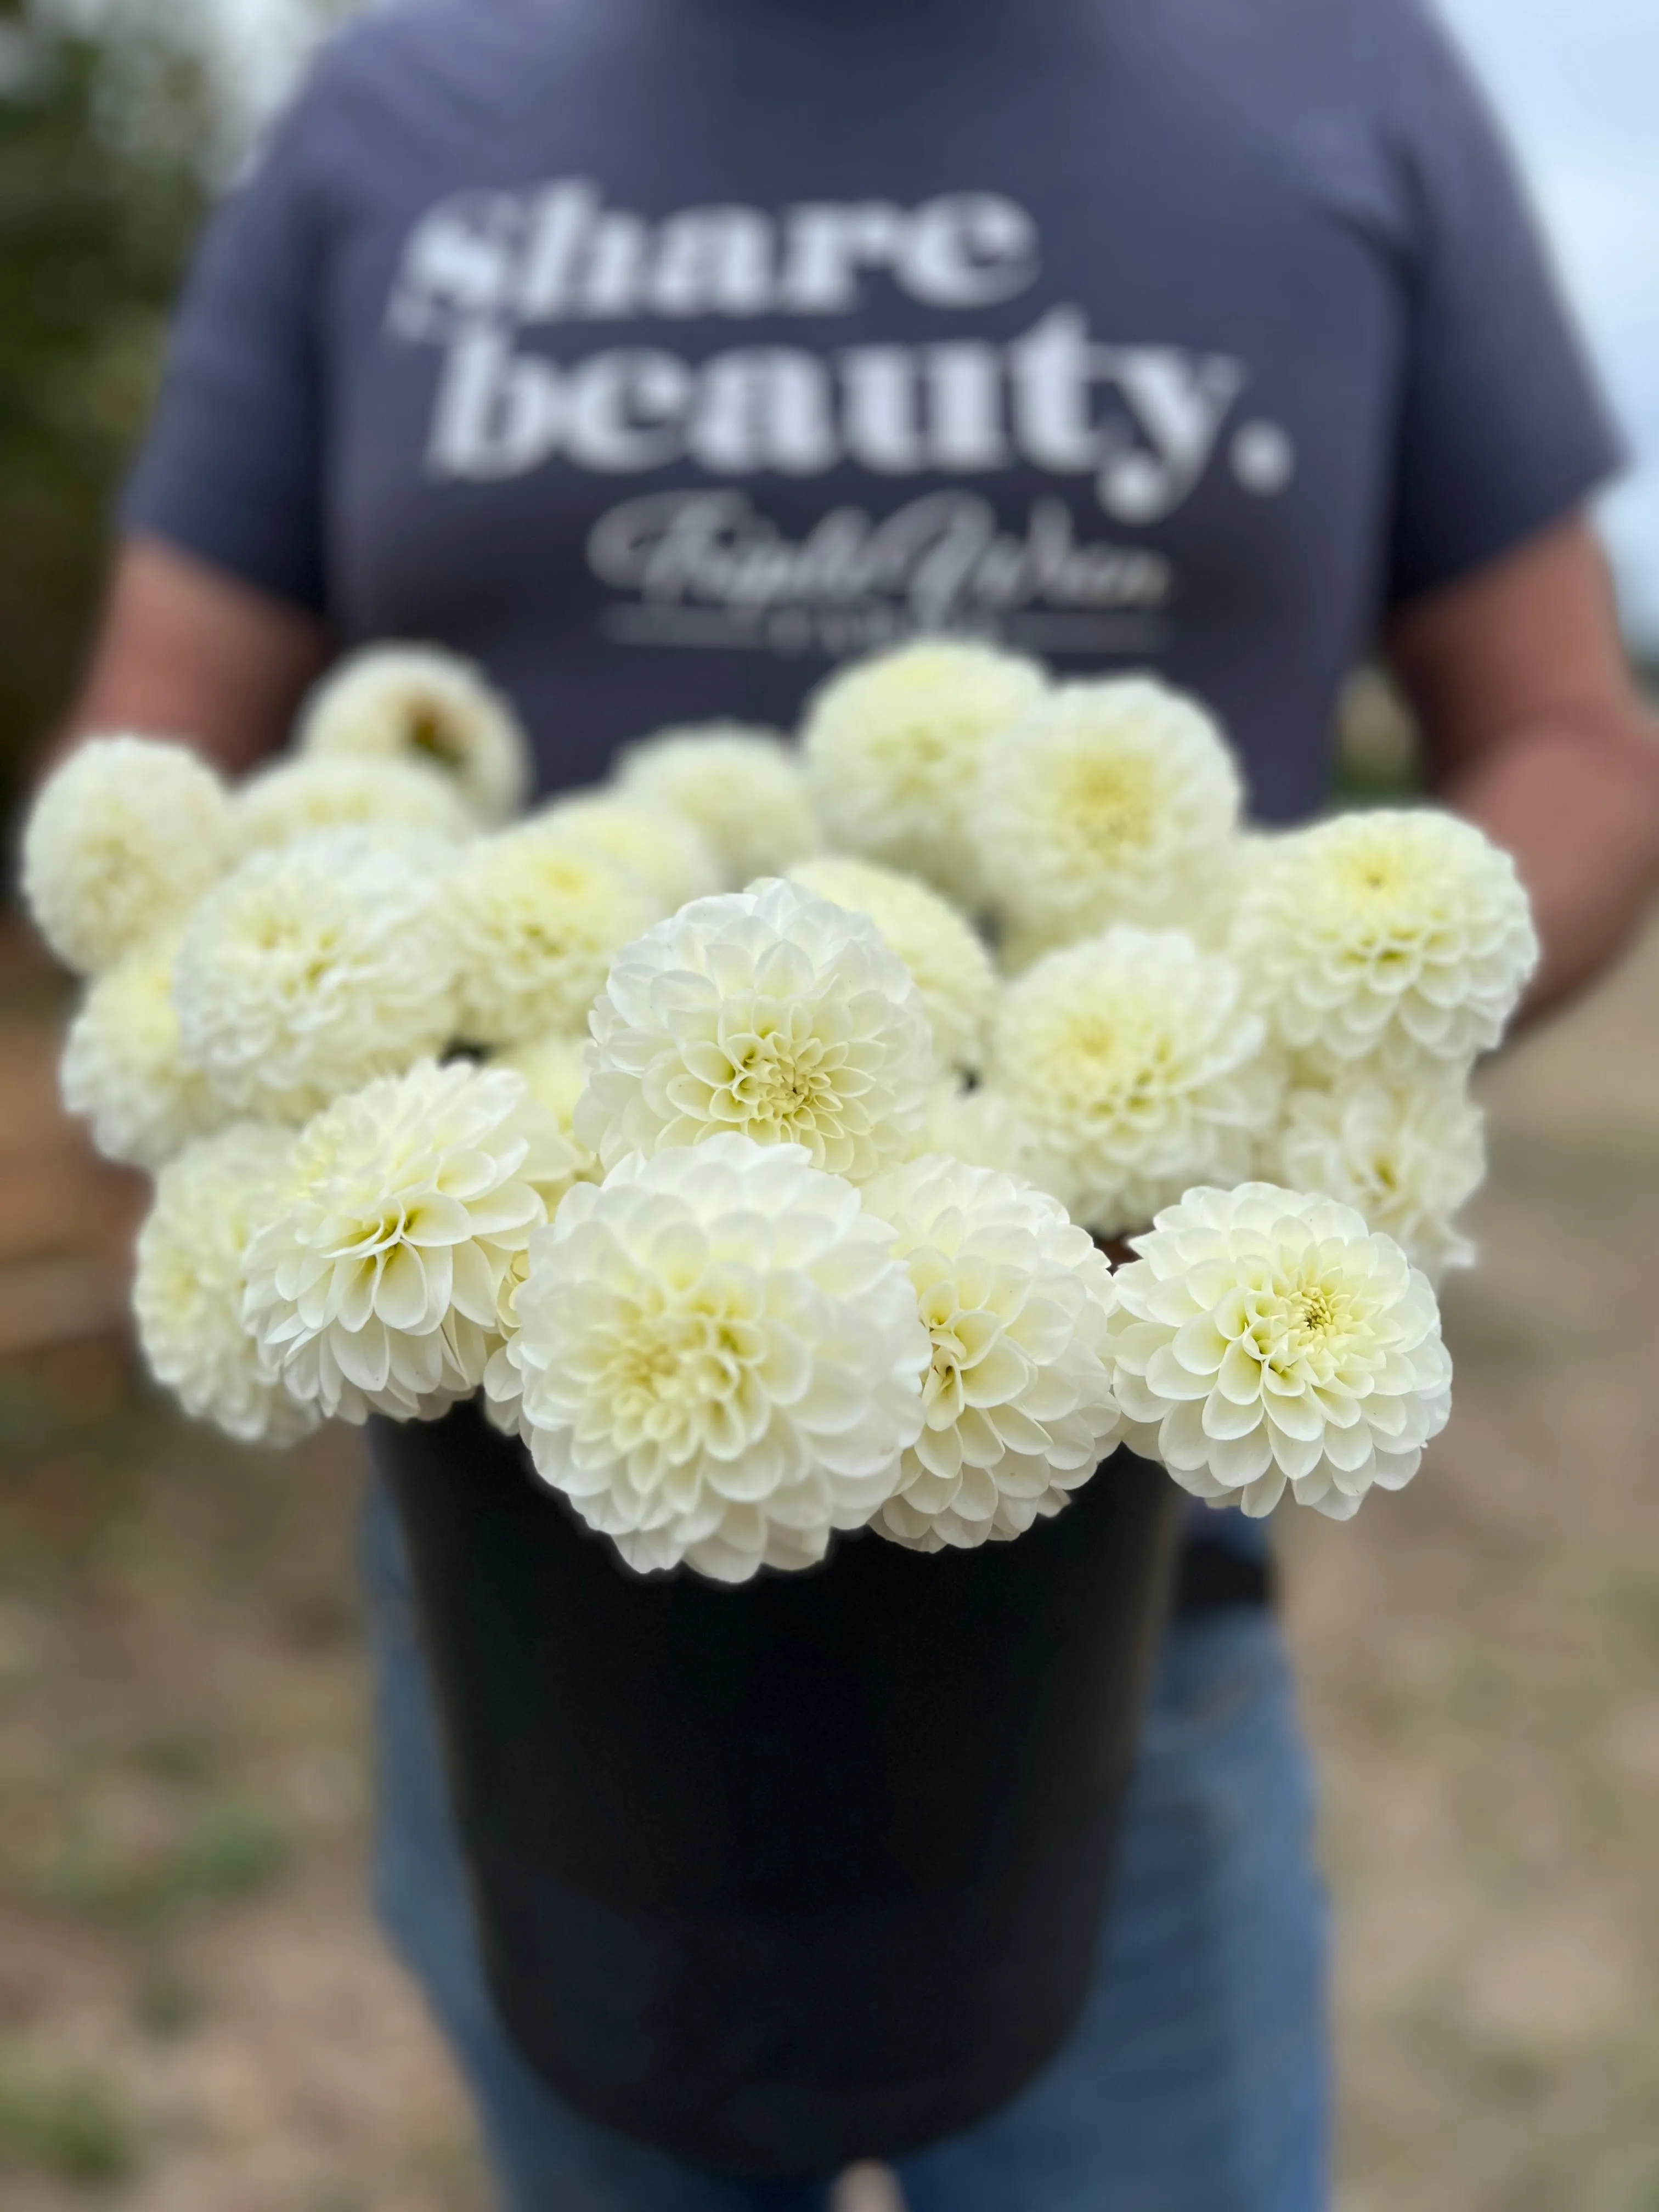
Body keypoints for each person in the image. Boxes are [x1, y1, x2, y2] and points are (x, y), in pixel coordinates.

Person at [54, 0, 1659, 2205]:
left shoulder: (1340, 74)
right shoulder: (391, 101)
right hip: (511, 1566)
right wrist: (247, 1021)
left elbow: (1572, 739)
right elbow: (151, 768)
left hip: (1124, 1568)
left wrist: (1305, 1038)